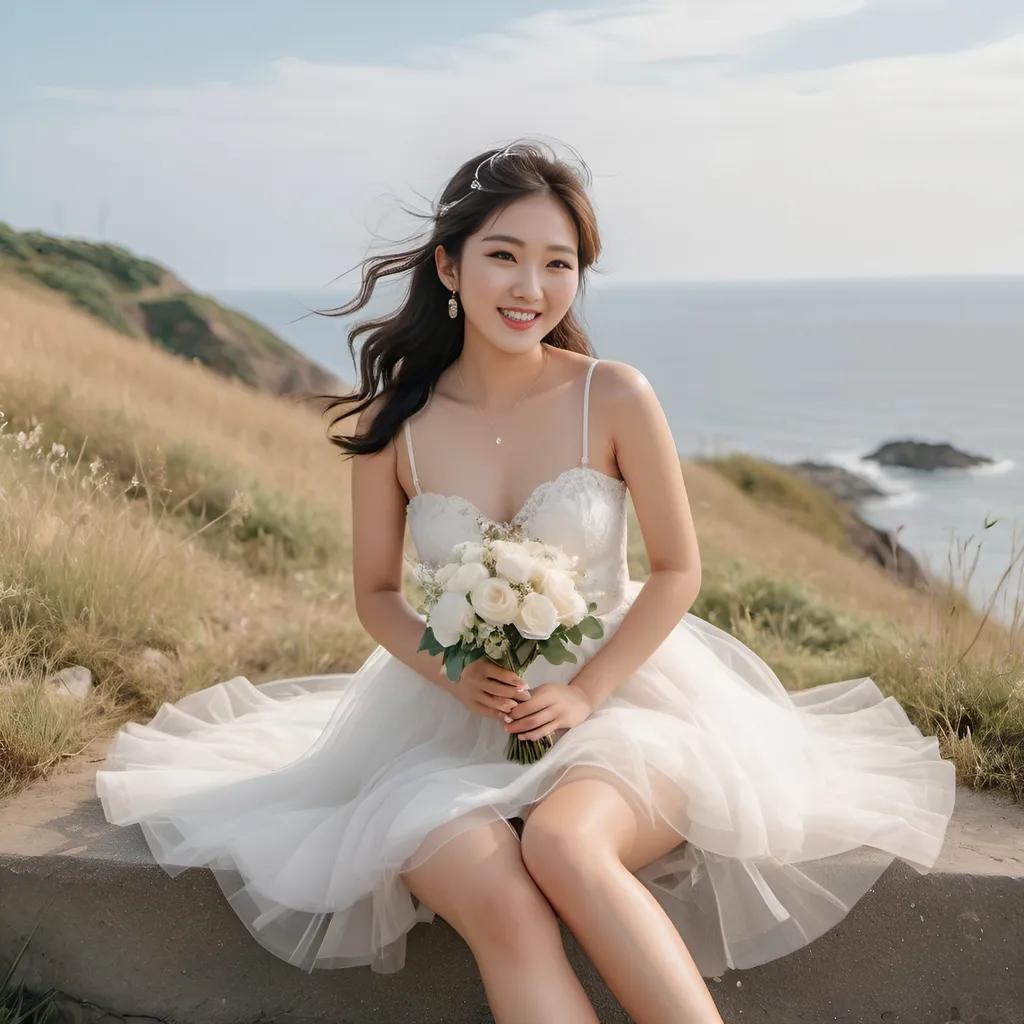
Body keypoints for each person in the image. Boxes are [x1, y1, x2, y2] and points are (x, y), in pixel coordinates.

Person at [96, 141, 957, 1024]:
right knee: (496, 895)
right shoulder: (398, 425)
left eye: (559, 264)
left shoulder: (614, 395)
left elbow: (677, 570)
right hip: (441, 724)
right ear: (449, 265)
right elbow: (378, 596)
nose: (530, 288)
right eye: (503, 255)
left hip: (629, 706)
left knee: (565, 847)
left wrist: (584, 694)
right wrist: (455, 676)